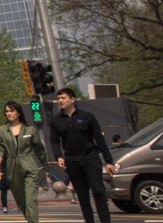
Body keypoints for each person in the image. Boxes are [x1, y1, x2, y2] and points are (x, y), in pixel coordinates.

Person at [49, 87, 115, 223]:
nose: (60, 101)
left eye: (63, 98)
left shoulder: (87, 117)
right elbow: (54, 141)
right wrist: (58, 156)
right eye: (58, 99)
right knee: (82, 196)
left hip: (91, 158)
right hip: (72, 161)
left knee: (98, 191)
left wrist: (109, 161)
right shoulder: (56, 120)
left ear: (72, 99)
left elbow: (100, 139)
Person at [0, 100, 47, 223]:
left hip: (29, 166)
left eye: (11, 111)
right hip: (12, 168)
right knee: (21, 201)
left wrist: (45, 165)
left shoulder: (30, 130)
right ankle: (30, 220)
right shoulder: (1, 131)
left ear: (18, 113)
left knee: (30, 200)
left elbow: (39, 149)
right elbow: (0, 149)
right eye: (6, 111)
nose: (8, 113)